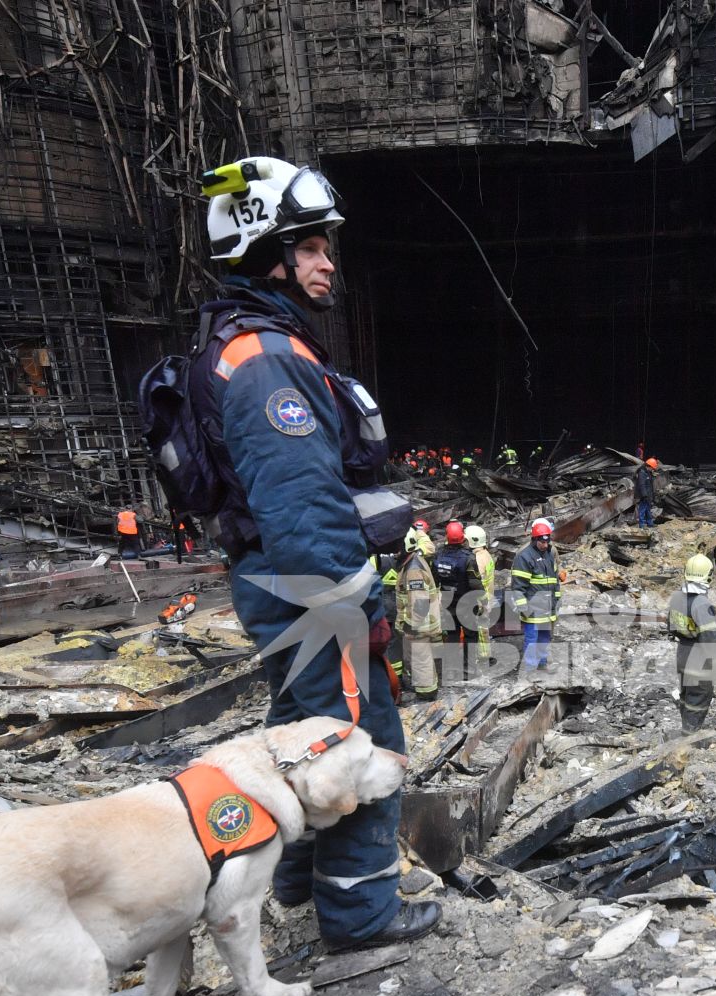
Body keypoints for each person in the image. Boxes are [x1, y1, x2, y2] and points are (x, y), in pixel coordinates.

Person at [185, 156, 432, 951]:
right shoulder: (266, 361)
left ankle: (290, 880)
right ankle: (362, 912)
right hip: (314, 592)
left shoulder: (245, 345)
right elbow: (301, 504)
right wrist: (358, 601)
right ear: (269, 253)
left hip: (276, 585)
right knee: (358, 742)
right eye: (313, 247)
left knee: (297, 732)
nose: (330, 263)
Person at [667, 554, 716, 730]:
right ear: (708, 575)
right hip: (698, 657)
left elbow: (670, 626)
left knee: (686, 693)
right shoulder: (702, 604)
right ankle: (689, 737)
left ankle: (686, 727)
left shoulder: (677, 597)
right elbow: (710, 639)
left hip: (683, 652)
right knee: (699, 697)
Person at [396, 528, 442, 698]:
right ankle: (423, 689)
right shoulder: (411, 562)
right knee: (416, 659)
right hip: (418, 624)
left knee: (421, 660)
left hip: (419, 625)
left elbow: (419, 603)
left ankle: (427, 694)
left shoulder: (413, 569)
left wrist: (409, 625)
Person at [432, 520, 481, 676]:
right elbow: (475, 583)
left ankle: (452, 669)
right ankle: (469, 669)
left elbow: (435, 579)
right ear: (462, 538)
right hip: (466, 602)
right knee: (470, 635)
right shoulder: (468, 558)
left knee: (452, 635)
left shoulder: (438, 555)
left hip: (447, 601)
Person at [511, 518, 560, 672]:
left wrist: (556, 600)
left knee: (545, 638)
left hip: (547, 608)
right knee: (532, 639)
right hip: (532, 608)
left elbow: (554, 581)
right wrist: (523, 608)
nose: (545, 545)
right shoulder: (524, 557)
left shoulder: (549, 555)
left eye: (547, 542)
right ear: (534, 539)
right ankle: (529, 669)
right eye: (542, 542)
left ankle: (542, 663)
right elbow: (518, 586)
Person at [464, 524, 495, 664]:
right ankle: (485, 654)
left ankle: (478, 657)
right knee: (484, 627)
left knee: (476, 628)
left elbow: (476, 582)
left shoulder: (475, 559)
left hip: (479, 599)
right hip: (488, 597)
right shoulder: (486, 555)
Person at [635, 457, 658, 528]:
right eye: (652, 468)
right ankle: (641, 525)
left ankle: (650, 523)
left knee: (648, 509)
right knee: (642, 509)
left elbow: (649, 484)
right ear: (649, 466)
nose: (652, 469)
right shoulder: (642, 473)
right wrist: (644, 495)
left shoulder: (647, 472)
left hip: (648, 495)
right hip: (644, 495)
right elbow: (642, 485)